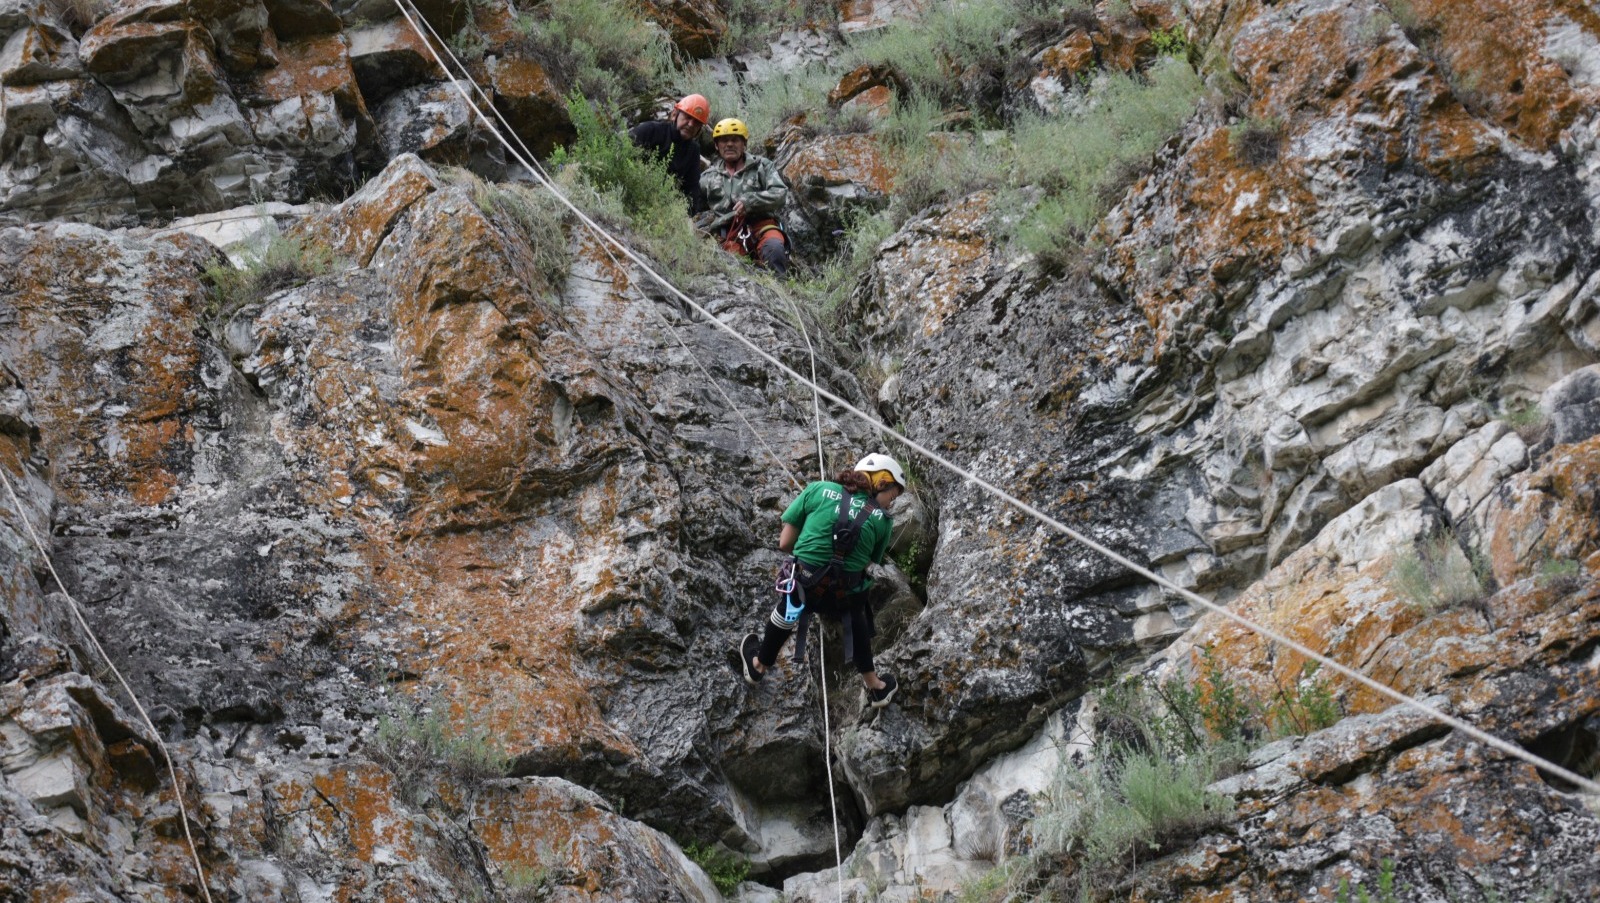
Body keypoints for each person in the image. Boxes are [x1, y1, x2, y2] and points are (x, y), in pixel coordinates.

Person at [738, 453, 906, 708]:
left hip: (805, 587)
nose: (890, 504)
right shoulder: (882, 521)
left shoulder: (818, 489)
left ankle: (759, 665)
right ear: (880, 482)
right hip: (842, 599)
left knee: (791, 600)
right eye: (891, 496)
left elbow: (784, 544)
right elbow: (867, 563)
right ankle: (875, 686)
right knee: (857, 608)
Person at [698, 117, 792, 277]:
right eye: (724, 141)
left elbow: (780, 194)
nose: (729, 144)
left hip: (762, 225)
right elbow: (697, 208)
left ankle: (781, 292)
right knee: (734, 269)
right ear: (716, 145)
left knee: (774, 250)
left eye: (735, 140)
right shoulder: (707, 178)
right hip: (728, 234)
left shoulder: (762, 166)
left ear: (744, 144)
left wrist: (751, 201)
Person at [629, 94, 712, 212]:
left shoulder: (693, 151)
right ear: (674, 115)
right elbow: (620, 152)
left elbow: (691, 190)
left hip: (661, 208)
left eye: (697, 122)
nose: (691, 124)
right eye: (687, 117)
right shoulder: (649, 130)